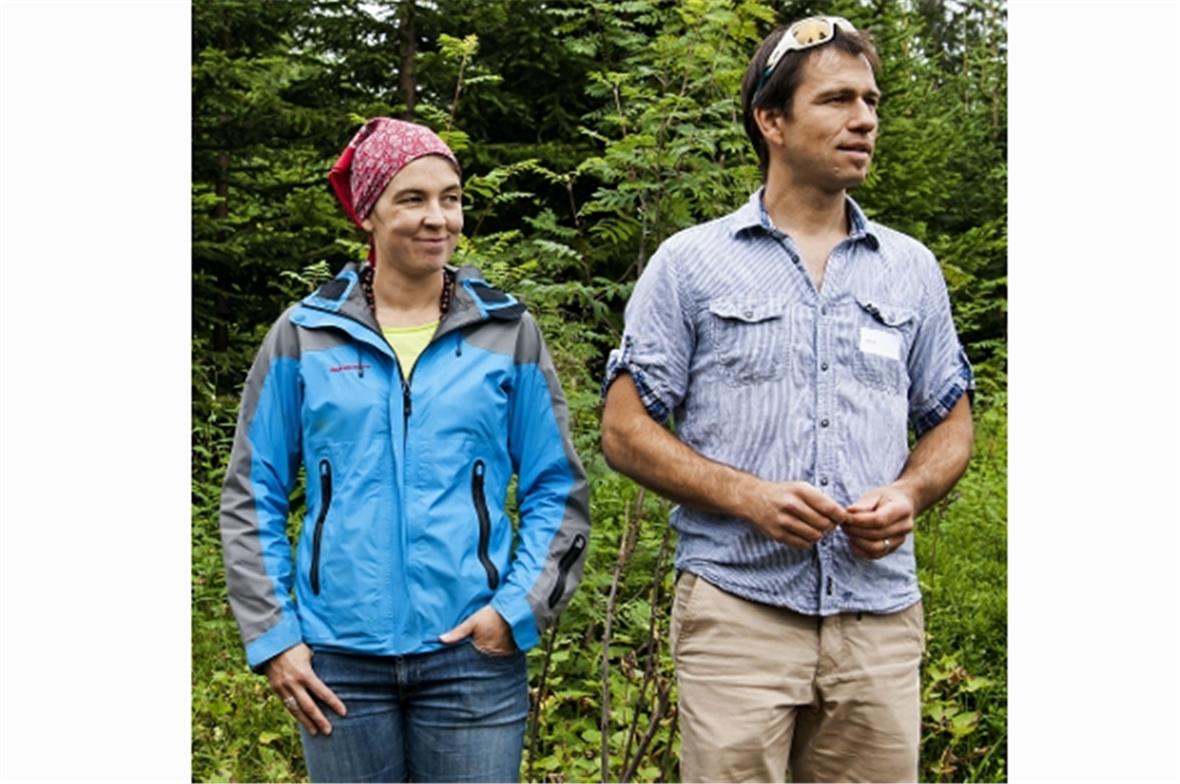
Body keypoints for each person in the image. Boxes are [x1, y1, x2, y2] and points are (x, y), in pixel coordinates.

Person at [600, 15, 974, 784]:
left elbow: (951, 424)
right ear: (771, 120)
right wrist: (747, 496)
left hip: (877, 623)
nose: (864, 119)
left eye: (870, 101)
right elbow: (625, 428)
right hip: (739, 614)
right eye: (837, 100)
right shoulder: (691, 264)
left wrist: (910, 492)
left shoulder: (910, 269)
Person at [219, 117, 590, 783]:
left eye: (451, 198)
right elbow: (252, 492)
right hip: (336, 662)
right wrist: (275, 638)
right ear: (368, 213)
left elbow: (556, 488)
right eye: (412, 199)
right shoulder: (304, 334)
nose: (437, 218)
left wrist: (514, 612)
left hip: (472, 659)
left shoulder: (507, 331)